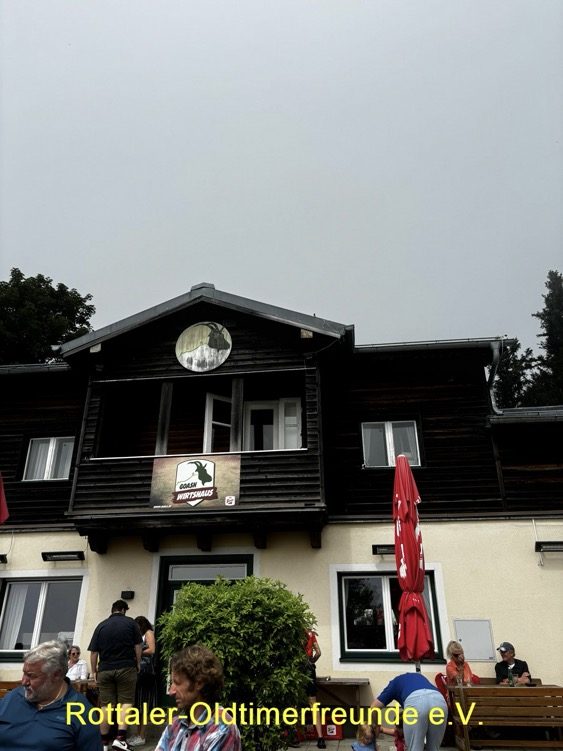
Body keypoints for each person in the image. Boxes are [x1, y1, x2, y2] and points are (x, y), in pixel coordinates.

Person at [0, 640, 102, 750]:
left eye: (31, 676)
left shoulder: (81, 712)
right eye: (24, 673)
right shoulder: (12, 698)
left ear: (56, 675)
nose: (24, 681)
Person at [154, 644, 241, 751]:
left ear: (199, 683)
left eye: (177, 683)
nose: (171, 691)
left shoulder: (221, 728)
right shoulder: (175, 726)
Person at [89, 599, 143, 751]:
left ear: (112, 610)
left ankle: (104, 743)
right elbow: (138, 645)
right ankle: (120, 739)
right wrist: (138, 663)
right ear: (124, 610)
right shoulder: (131, 623)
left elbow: (94, 652)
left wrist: (94, 672)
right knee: (126, 702)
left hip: (105, 669)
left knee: (106, 706)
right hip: (126, 667)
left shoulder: (101, 626)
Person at [371, 672, 447, 751]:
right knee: (434, 748)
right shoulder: (419, 677)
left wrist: (376, 726)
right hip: (439, 700)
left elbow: (374, 706)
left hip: (416, 702)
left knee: (415, 748)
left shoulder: (394, 683)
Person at [127, 616, 157, 747]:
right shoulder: (138, 637)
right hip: (139, 673)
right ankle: (138, 734)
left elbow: (152, 649)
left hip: (147, 673)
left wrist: (138, 653)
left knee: (144, 705)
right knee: (139, 706)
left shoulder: (149, 633)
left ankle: (142, 736)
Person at [305, 629, 327, 749]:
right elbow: (318, 652)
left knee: (294, 703)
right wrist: (311, 661)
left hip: (296, 669)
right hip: (309, 669)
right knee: (313, 704)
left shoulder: (294, 633)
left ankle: (294, 735)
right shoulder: (311, 634)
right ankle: (320, 738)